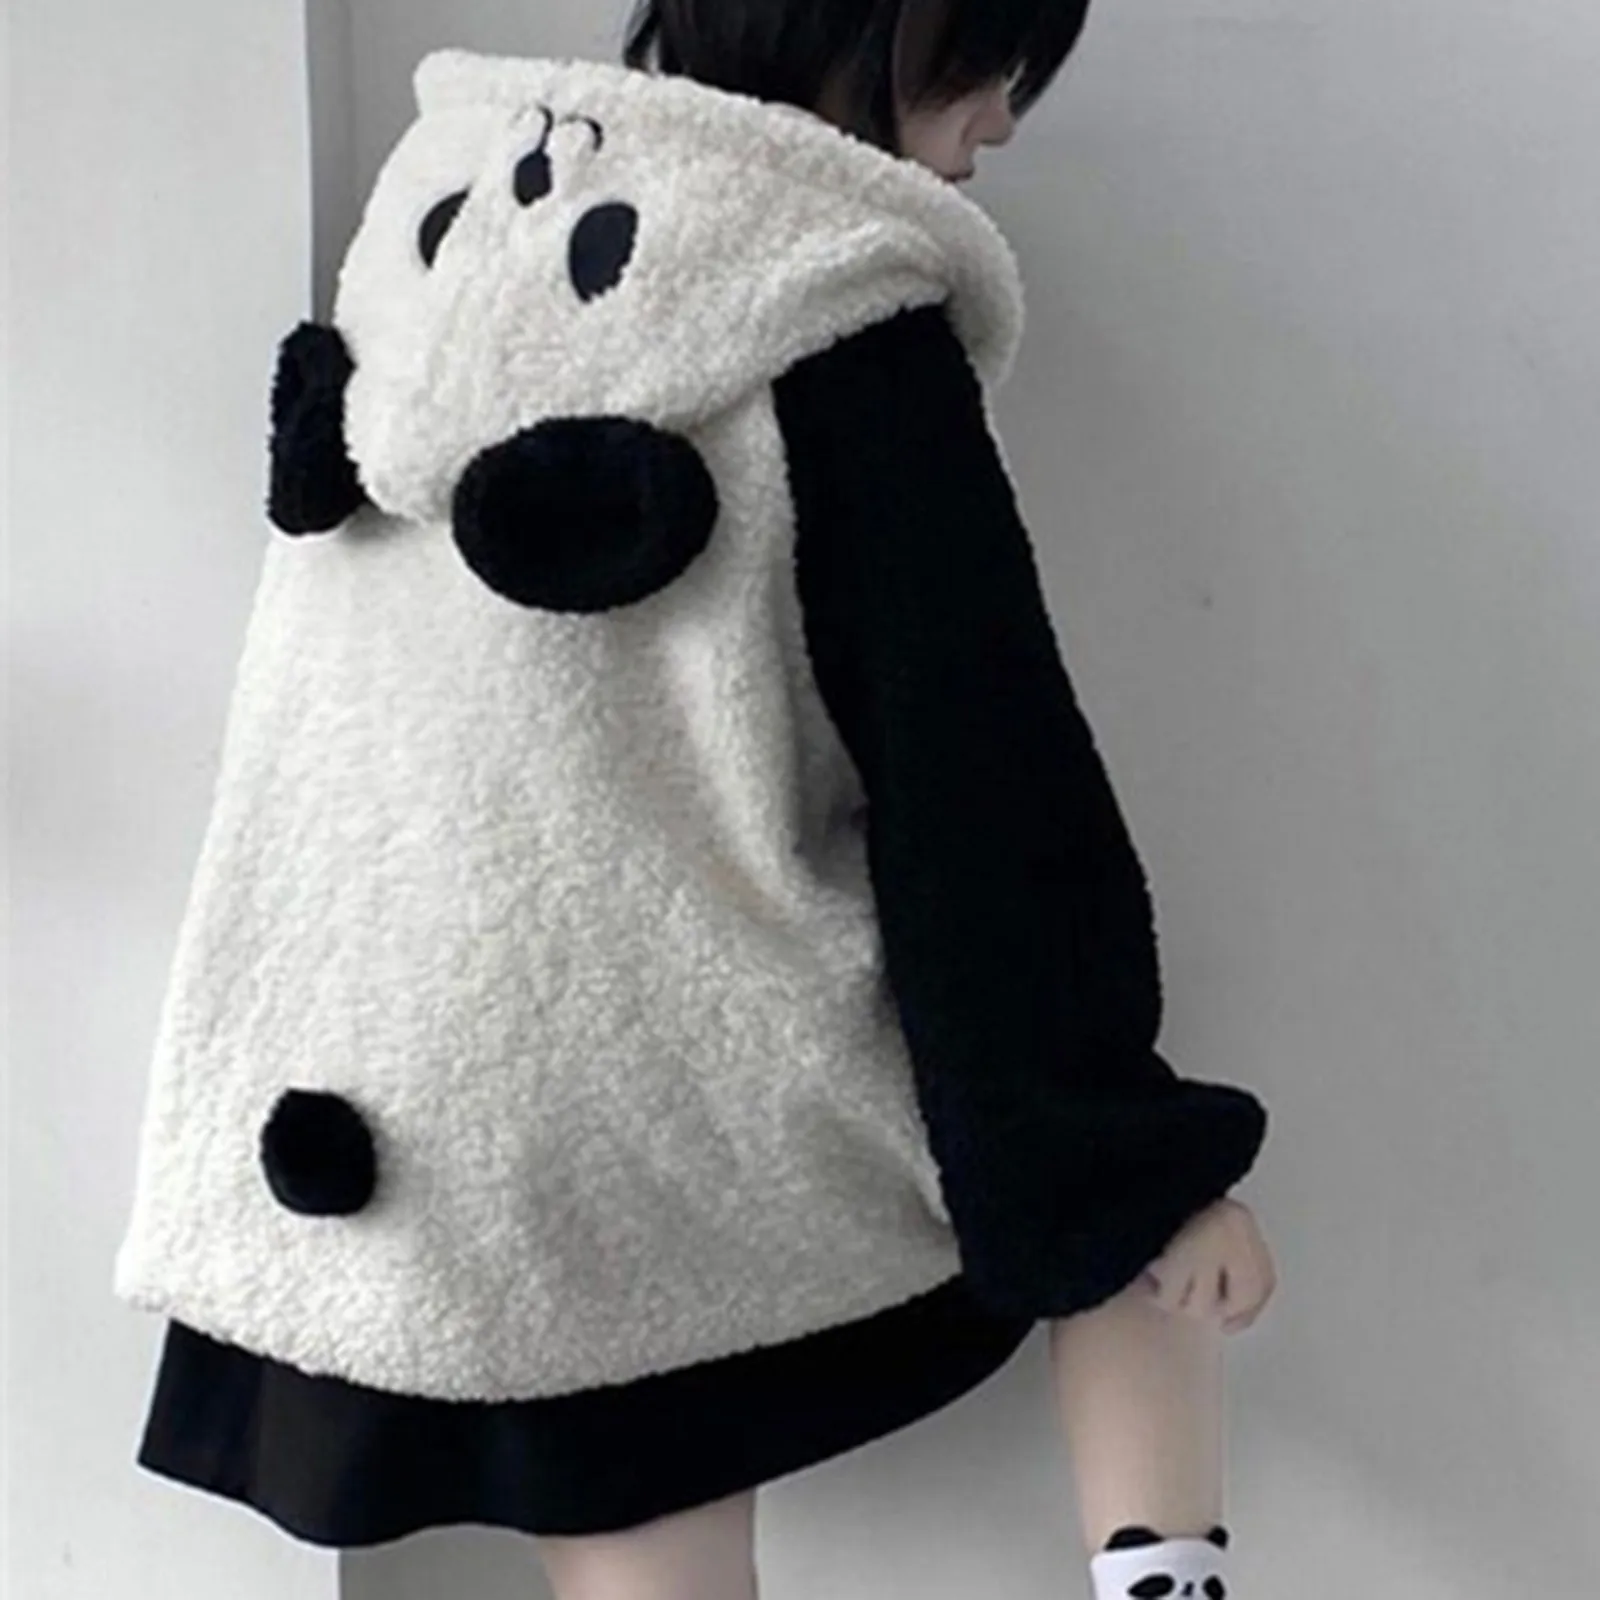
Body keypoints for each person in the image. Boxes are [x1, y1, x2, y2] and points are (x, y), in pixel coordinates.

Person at [113, 4, 1276, 1598]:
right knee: (1134, 1209)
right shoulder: (835, 316)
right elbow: (986, 797)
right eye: (989, 60)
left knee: (638, 1507)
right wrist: (1100, 1142)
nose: (1003, 120)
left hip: (371, 1105)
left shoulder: (428, 237)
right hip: (666, 1089)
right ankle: (1164, 1568)